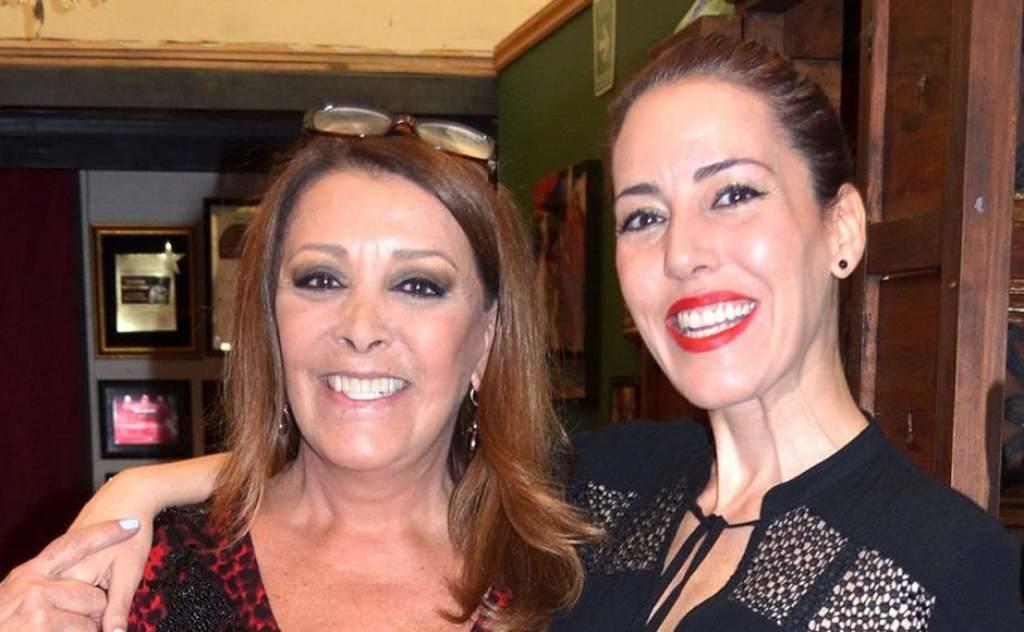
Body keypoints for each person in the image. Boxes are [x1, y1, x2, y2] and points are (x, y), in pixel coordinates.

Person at [6, 34, 1024, 631]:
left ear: (841, 228)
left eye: (734, 195)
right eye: (644, 215)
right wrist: (137, 492)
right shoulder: (610, 489)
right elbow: (390, 458)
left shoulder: (949, 568)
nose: (684, 253)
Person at [0, 110, 595, 631]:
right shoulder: (142, 578)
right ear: (269, 320)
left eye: (418, 285)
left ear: (487, 338)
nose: (361, 327)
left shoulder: (576, 571)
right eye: (321, 279)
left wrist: (141, 483)